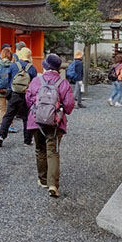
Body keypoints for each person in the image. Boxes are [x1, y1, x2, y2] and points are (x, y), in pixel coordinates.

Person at [25, 53, 75, 198]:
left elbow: (28, 99)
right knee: (52, 151)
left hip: (36, 121)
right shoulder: (63, 83)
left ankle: (43, 180)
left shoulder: (36, 81)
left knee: (40, 150)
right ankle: (53, 185)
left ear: (45, 66)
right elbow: (69, 106)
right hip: (55, 122)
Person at [0, 47, 37, 147]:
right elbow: (34, 84)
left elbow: (7, 80)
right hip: (26, 95)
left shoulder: (13, 66)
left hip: (14, 94)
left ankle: (1, 136)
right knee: (26, 118)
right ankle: (27, 141)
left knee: (8, 116)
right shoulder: (32, 68)